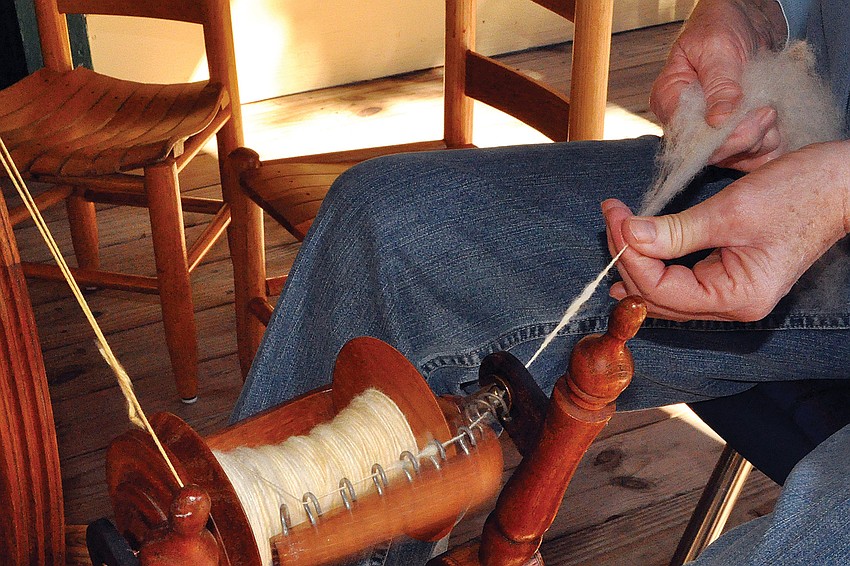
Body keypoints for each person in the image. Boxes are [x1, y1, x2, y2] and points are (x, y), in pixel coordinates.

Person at [232, 0, 850, 563]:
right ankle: (237, 521)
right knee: (384, 222)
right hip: (805, 157)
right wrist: (753, 12)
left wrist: (840, 193)